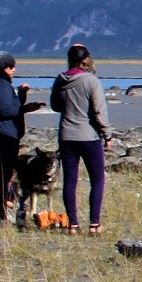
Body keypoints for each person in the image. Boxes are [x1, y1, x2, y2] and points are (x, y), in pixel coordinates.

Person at [50, 44, 111, 234]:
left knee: (70, 180)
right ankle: (94, 224)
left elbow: (55, 106)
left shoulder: (60, 80)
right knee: (98, 179)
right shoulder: (91, 81)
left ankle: (73, 224)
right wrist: (107, 135)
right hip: (89, 135)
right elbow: (99, 110)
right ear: (87, 59)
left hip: (67, 135)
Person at [0, 51, 42, 227]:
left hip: (2, 134)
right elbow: (5, 111)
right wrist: (26, 108)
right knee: (3, 176)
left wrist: (21, 96)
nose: (14, 70)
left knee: (4, 175)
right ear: (4, 68)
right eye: (11, 67)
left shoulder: (0, 83)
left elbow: (11, 106)